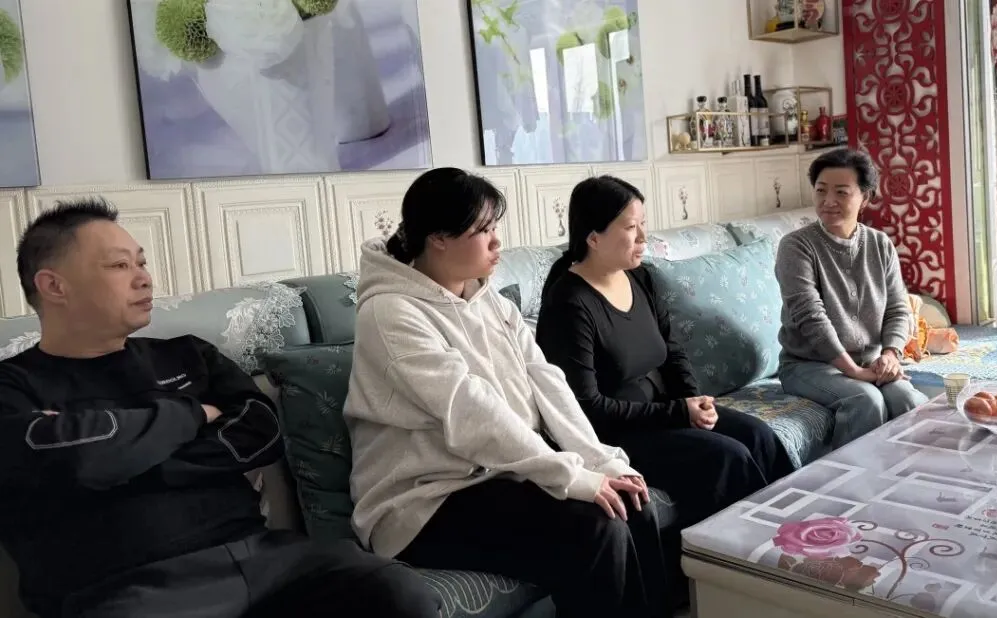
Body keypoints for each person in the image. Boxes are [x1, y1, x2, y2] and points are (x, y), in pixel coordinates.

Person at [0, 199, 442, 618]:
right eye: (119, 266)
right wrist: (192, 415)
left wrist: (120, 454)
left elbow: (261, 435)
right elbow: (76, 461)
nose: (144, 279)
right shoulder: (13, 386)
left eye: (141, 263)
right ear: (54, 285)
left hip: (265, 559)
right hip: (125, 586)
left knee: (397, 592)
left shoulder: (188, 356)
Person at [343, 167, 671, 618]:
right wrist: (570, 477)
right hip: (424, 501)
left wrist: (600, 461)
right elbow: (471, 412)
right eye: (483, 230)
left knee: (633, 501)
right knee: (598, 528)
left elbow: (547, 382)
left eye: (495, 227)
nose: (497, 242)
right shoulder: (390, 313)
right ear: (438, 238)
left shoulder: (491, 301)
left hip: (499, 475)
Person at [535, 176, 795, 529]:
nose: (643, 237)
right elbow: (587, 408)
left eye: (643, 224)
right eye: (631, 227)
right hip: (616, 434)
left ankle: (800, 535)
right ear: (593, 238)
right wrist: (678, 413)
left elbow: (672, 350)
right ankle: (742, 554)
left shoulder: (641, 278)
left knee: (759, 436)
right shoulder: (569, 303)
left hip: (665, 412)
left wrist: (693, 400)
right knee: (727, 457)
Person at [774, 148, 928, 449]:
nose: (828, 201)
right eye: (821, 190)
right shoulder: (796, 246)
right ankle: (849, 478)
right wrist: (854, 372)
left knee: (908, 400)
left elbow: (898, 309)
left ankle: (910, 474)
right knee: (865, 400)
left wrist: (890, 355)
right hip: (808, 365)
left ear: (865, 197)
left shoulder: (880, 244)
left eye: (841, 192)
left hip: (869, 359)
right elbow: (811, 318)